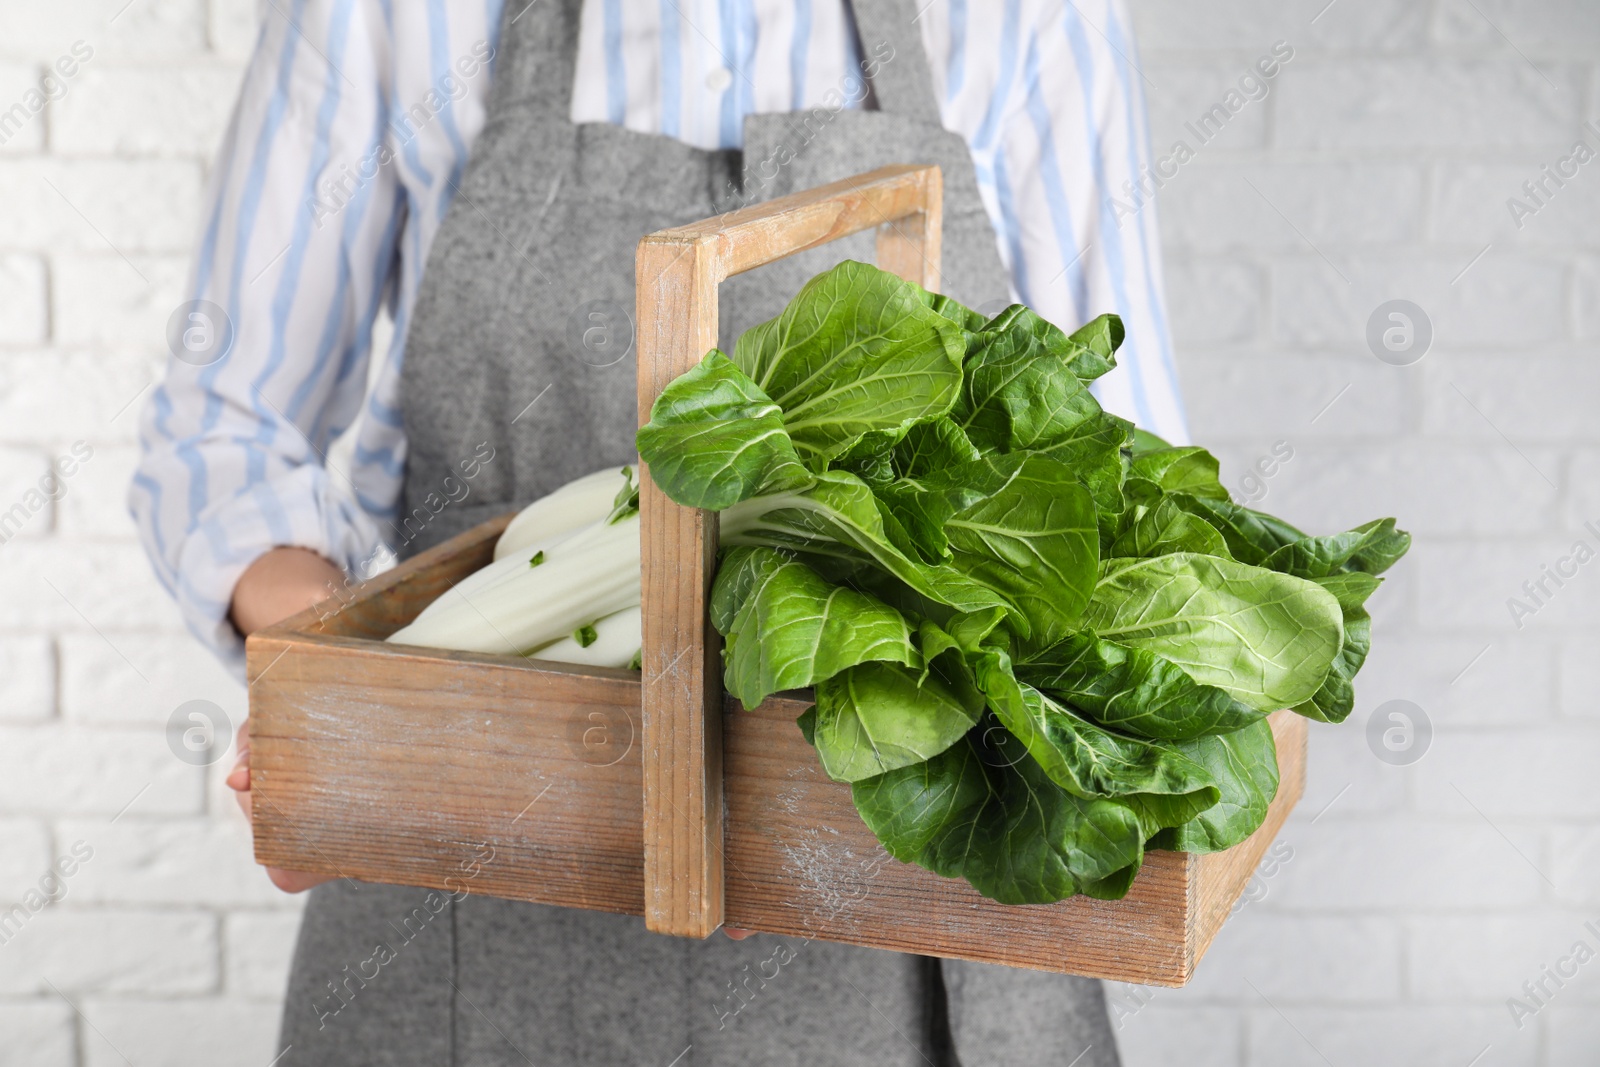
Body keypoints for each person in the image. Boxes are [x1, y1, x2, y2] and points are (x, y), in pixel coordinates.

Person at [133, 1, 1186, 1063]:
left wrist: (797, 786)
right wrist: (344, 692)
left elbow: (1124, 486)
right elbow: (223, 430)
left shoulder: (1027, 17)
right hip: (464, 871)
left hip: (907, 907)